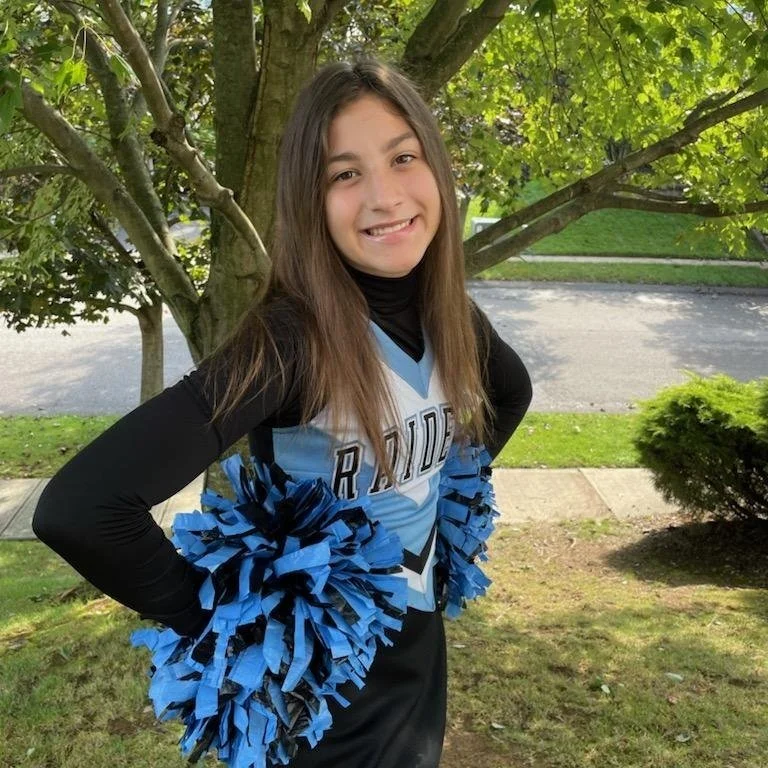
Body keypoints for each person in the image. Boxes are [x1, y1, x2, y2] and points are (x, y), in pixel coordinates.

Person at [33, 60, 532, 768]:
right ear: (308, 200)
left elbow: (512, 393)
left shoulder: (448, 314)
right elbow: (84, 509)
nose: (385, 196)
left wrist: (442, 495)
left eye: (403, 157)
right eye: (345, 174)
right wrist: (234, 625)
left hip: (421, 655)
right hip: (323, 699)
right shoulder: (291, 341)